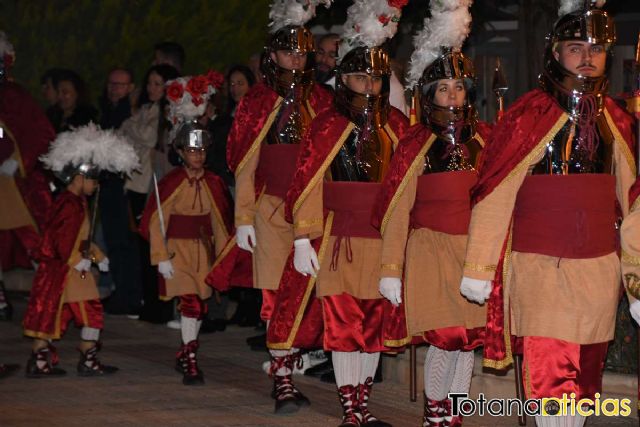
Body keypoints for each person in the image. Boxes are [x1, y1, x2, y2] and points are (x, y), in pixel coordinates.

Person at [459, 2, 635, 426]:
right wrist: (479, 266)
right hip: (541, 267)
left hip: (598, 269)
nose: (588, 58)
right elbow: (495, 193)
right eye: (577, 47)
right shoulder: (528, 114)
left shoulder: (617, 119)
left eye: (597, 49)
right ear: (555, 53)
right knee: (552, 373)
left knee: (587, 375)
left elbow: (632, 203)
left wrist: (636, 278)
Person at [268, 1, 409, 424]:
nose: (368, 85)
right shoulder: (327, 125)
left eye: (375, 78)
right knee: (346, 324)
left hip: (382, 241)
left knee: (373, 325)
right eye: (358, 77)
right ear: (341, 80)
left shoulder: (398, 126)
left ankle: (362, 406)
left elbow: (406, 189)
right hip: (338, 240)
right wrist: (301, 237)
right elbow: (308, 182)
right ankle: (351, 410)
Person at [206, 0, 333, 414]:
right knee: (274, 295)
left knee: (308, 294)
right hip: (270, 210)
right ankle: (281, 380)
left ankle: (292, 364)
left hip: (314, 211)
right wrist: (243, 216)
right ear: (272, 55)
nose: (296, 57)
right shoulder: (257, 101)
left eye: (302, 51)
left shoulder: (323, 99)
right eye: (288, 51)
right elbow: (246, 164)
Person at [372, 3, 490, 425]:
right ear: (429, 94)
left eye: (459, 87)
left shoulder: (484, 139)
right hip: (430, 253)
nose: (453, 95)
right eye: (444, 88)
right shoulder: (415, 143)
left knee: (470, 339)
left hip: (472, 254)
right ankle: (434, 414)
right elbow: (397, 208)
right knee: (445, 338)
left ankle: (453, 415)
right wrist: (390, 268)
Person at [22, 123, 138, 377]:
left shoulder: (76, 203)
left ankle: (42, 359)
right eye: (93, 179)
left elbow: (81, 239)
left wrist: (99, 256)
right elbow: (59, 240)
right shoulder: (69, 205)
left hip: (73, 271)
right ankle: (86, 359)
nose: (96, 184)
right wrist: (78, 261)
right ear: (78, 177)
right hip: (71, 272)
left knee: (59, 314)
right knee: (91, 312)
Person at [139, 72, 233, 385]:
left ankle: (185, 350)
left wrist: (223, 258)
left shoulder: (214, 182)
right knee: (190, 301)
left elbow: (219, 222)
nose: (198, 156)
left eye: (202, 151)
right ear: (180, 152)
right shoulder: (171, 182)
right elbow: (156, 220)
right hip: (177, 250)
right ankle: (191, 357)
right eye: (192, 151)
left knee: (199, 303)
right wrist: (160, 256)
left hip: (201, 251)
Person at [0, 32, 56, 321]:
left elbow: (40, 134)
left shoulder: (14, 95)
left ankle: (50, 296)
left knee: (34, 239)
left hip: (16, 184)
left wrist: (17, 161)